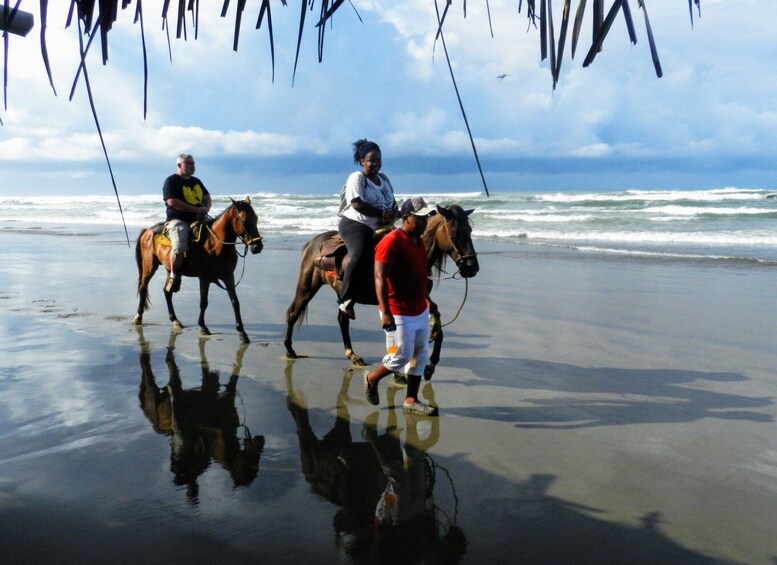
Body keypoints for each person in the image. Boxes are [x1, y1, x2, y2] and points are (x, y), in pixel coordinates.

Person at [363, 197, 439, 417]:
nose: (426, 221)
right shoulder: (391, 241)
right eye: (421, 217)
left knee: (421, 354)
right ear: (406, 218)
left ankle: (411, 400)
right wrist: (385, 311)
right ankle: (371, 378)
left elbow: (419, 275)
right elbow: (379, 276)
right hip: (398, 310)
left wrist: (428, 300)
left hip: (419, 308)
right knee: (402, 356)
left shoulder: (419, 242)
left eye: (427, 217)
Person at [337, 139, 399, 319]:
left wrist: (397, 213)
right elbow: (356, 204)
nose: (375, 164)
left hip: (382, 226)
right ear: (362, 161)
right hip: (357, 224)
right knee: (360, 253)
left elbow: (392, 202)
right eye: (371, 161)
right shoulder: (357, 178)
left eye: (378, 160)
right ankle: (345, 299)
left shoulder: (384, 179)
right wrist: (381, 213)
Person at [162, 153, 212, 293]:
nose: (192, 166)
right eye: (188, 163)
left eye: (193, 163)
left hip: (198, 218)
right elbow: (172, 202)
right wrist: (196, 209)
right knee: (179, 246)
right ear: (179, 165)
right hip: (178, 220)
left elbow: (207, 197)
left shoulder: (196, 181)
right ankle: (173, 275)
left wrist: (206, 208)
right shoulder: (171, 181)